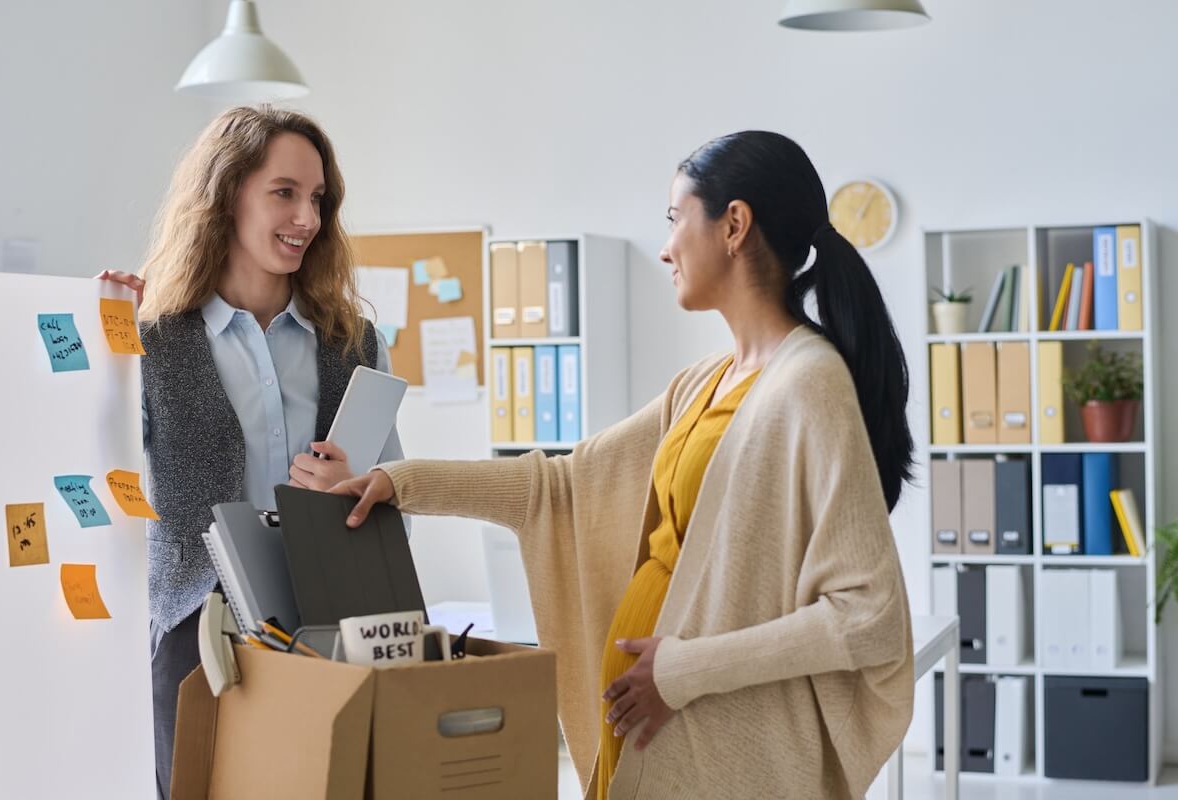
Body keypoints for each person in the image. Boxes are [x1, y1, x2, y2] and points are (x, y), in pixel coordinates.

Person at [332, 131, 914, 799]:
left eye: (675, 219)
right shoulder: (705, 383)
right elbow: (559, 487)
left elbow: (866, 615)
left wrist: (682, 671)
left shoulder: (809, 385)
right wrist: (398, 484)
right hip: (654, 726)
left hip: (718, 746)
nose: (665, 247)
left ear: (734, 225)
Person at [99, 105, 404, 799]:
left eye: (318, 199)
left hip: (325, 635)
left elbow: (399, 501)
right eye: (284, 193)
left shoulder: (352, 345)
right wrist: (97, 342)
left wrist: (361, 487)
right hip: (192, 637)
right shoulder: (150, 339)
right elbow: (91, 469)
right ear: (228, 191)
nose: (307, 218)